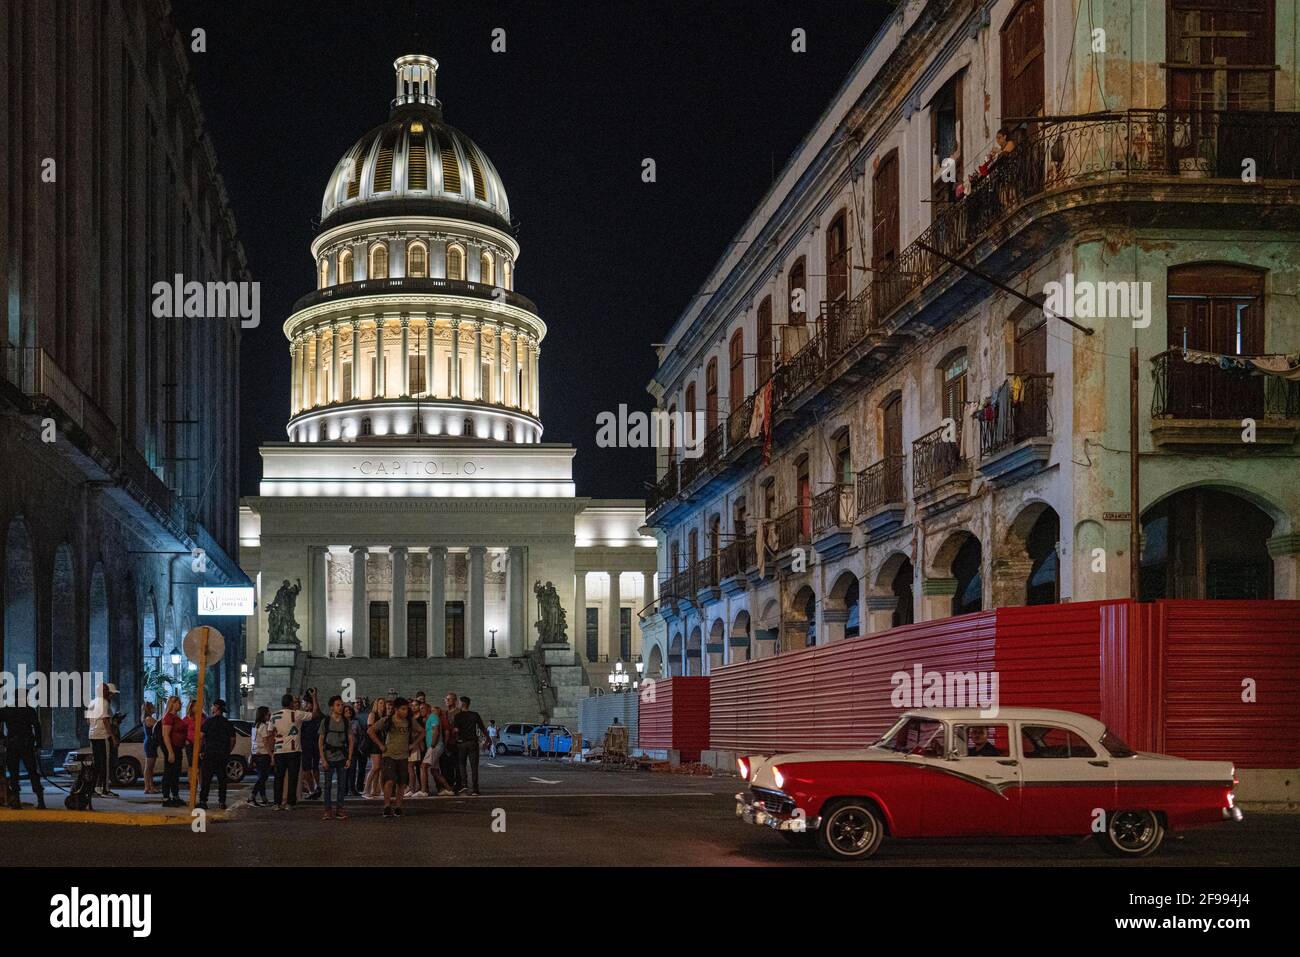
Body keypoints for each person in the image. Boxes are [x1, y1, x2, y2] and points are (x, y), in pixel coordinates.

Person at [368, 696, 417, 818]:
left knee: (401, 783)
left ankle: (398, 807)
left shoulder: (409, 721)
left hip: (403, 755)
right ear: (396, 709)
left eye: (407, 709)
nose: (406, 711)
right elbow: (370, 731)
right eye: (403, 709)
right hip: (389, 755)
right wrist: (381, 745)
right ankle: (387, 806)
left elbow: (422, 731)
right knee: (389, 781)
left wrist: (413, 745)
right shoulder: (387, 720)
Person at [271, 689, 319, 810]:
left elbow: (270, 733)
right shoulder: (296, 714)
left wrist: (271, 751)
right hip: (294, 750)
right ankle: (289, 803)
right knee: (293, 777)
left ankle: (276, 802)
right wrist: (314, 697)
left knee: (278, 778)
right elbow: (314, 714)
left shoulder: (274, 715)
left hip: (279, 750)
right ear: (291, 703)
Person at [0, 703, 45, 809]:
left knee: (13, 774)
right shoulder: (29, 710)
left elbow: (37, 726)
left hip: (13, 745)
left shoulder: (7, 710)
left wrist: (3, 737)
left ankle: (16, 801)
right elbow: (37, 726)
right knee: (33, 773)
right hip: (26, 745)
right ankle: (40, 800)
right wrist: (38, 744)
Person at [318, 695, 355, 820]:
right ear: (332, 707)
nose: (341, 707)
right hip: (328, 756)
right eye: (338, 705)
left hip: (342, 757)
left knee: (341, 785)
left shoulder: (346, 722)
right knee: (327, 785)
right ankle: (327, 810)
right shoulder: (326, 721)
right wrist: (322, 758)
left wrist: (349, 758)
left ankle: (340, 809)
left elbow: (351, 740)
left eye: (342, 704)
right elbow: (320, 741)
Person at [197, 699, 237, 809]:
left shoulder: (208, 722)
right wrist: (228, 751)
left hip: (209, 753)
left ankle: (203, 801)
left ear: (216, 708)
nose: (211, 708)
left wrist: (200, 751)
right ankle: (222, 802)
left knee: (206, 779)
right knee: (222, 780)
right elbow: (233, 740)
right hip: (222, 754)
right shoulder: (227, 723)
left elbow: (201, 737)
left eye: (212, 706)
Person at [85, 682, 119, 798]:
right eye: (106, 691)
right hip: (102, 736)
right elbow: (105, 721)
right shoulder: (104, 703)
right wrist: (113, 737)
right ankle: (105, 789)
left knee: (97, 763)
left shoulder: (92, 702)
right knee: (105, 763)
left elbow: (88, 721)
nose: (108, 693)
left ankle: (95, 787)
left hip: (92, 735)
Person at [452, 696, 491, 796]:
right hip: (473, 742)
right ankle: (475, 788)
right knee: (474, 766)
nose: (458, 704)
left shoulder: (458, 716)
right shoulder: (475, 715)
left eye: (459, 703)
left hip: (461, 743)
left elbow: (456, 730)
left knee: (462, 764)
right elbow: (482, 727)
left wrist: (455, 738)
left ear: (463, 704)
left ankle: (464, 784)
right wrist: (488, 739)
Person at [159, 696, 187, 807]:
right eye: (179, 703)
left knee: (175, 773)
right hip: (172, 748)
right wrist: (170, 751)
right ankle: (166, 797)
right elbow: (165, 735)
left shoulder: (175, 717)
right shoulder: (168, 717)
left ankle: (175, 796)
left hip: (177, 747)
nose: (180, 705)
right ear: (173, 704)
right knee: (169, 773)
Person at [421, 705, 454, 796]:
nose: (421, 710)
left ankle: (423, 791)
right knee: (434, 771)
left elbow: (436, 731)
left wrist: (432, 745)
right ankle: (449, 789)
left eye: (422, 708)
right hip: (435, 746)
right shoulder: (430, 718)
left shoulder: (433, 716)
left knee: (423, 766)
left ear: (428, 709)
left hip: (435, 746)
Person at [363, 697, 387, 798]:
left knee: (380, 768)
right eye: (381, 703)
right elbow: (370, 731)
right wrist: (379, 744)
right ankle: (366, 790)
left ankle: (374, 790)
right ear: (376, 704)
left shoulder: (385, 716)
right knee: (375, 767)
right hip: (374, 744)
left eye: (384, 703)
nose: (383, 705)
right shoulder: (373, 715)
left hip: (382, 743)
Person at [300, 689, 322, 801]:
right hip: (307, 744)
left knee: (311, 767)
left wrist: (314, 697)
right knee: (308, 768)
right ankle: (312, 789)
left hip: (312, 743)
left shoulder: (313, 715)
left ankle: (314, 789)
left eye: (305, 703)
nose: (303, 705)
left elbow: (316, 713)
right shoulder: (302, 715)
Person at [250, 706, 274, 806]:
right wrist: (271, 755)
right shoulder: (263, 726)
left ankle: (264, 799)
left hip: (256, 753)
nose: (269, 715)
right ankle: (252, 796)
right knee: (263, 777)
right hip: (263, 754)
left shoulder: (255, 725)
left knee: (261, 777)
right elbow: (265, 742)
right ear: (264, 715)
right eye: (268, 714)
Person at [441, 693, 461, 792]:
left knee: (457, 764)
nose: (446, 701)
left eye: (449, 699)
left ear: (454, 700)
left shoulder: (458, 712)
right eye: (446, 699)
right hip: (447, 741)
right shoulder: (445, 713)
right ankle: (450, 784)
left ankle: (459, 784)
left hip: (456, 741)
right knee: (447, 765)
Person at [141, 702, 160, 794]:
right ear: (149, 709)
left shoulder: (148, 718)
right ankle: (147, 787)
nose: (154, 707)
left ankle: (151, 786)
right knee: (148, 766)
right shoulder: (149, 719)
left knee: (151, 767)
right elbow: (159, 725)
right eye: (152, 706)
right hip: (150, 743)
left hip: (151, 743)